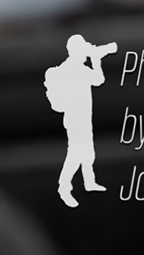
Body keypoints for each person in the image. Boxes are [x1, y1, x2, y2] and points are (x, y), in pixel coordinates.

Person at [45, 34, 117, 207]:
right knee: (76, 153)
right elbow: (98, 80)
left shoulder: (77, 68)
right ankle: (64, 187)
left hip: (82, 116)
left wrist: (96, 58)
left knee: (87, 152)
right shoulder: (74, 69)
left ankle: (89, 182)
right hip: (75, 117)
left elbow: (98, 81)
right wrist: (96, 60)